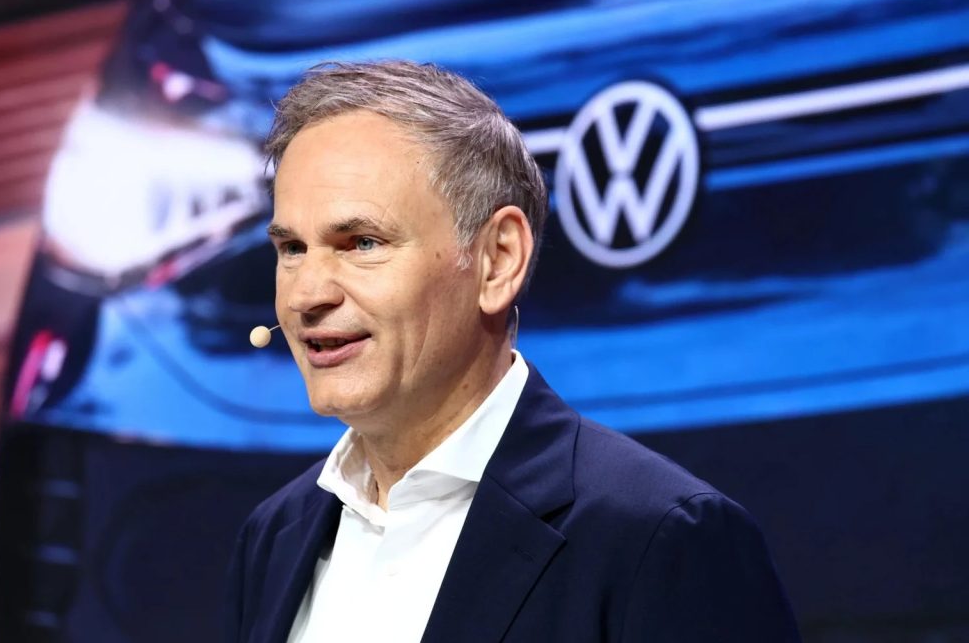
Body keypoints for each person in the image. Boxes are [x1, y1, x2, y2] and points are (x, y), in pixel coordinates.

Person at [224, 60, 800, 643]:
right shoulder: (274, 539)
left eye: (362, 243)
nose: (305, 295)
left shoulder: (660, 539)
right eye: (292, 249)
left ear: (498, 261)